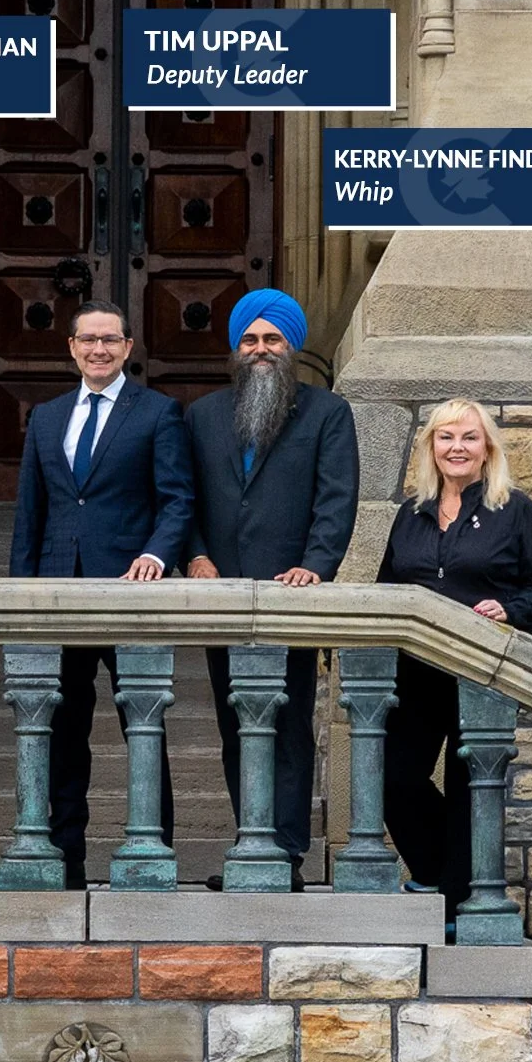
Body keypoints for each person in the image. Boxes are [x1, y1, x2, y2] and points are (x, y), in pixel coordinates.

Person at [10, 300, 194, 889]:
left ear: (128, 346)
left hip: (129, 591)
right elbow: (30, 515)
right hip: (57, 592)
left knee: (143, 724)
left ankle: (152, 850)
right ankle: (66, 858)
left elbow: (177, 500)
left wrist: (156, 554)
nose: (98, 349)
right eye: (87, 339)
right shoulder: (46, 417)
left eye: (109, 340)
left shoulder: (159, 413)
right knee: (62, 731)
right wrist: (18, 599)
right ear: (70, 347)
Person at [185, 289, 358, 888]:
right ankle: (250, 840)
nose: (260, 350)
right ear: (236, 348)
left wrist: (317, 565)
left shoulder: (326, 413)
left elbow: (336, 500)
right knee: (237, 723)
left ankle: (284, 853)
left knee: (286, 726)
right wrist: (197, 555)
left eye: (272, 339)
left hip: (290, 595)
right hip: (223, 595)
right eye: (250, 340)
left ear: (292, 346)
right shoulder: (203, 414)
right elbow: (185, 499)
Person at [377, 399, 532, 909]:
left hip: (482, 671)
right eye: (446, 438)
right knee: (393, 780)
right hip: (414, 673)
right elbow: (386, 587)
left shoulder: (513, 509)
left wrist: (507, 607)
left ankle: (458, 903)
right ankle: (444, 875)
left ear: (487, 449)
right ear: (431, 448)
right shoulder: (411, 513)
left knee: (469, 789)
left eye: (469, 438)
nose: (457, 448)